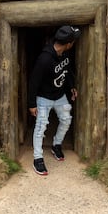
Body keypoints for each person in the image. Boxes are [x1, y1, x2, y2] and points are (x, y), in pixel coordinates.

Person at [27, 25, 81, 175]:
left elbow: (67, 71)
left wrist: (71, 87)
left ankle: (56, 145)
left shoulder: (64, 54)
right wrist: (32, 104)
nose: (74, 44)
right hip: (43, 98)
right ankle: (37, 158)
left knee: (66, 120)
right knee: (40, 127)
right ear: (68, 43)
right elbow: (33, 82)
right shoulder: (44, 59)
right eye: (73, 41)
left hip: (59, 96)